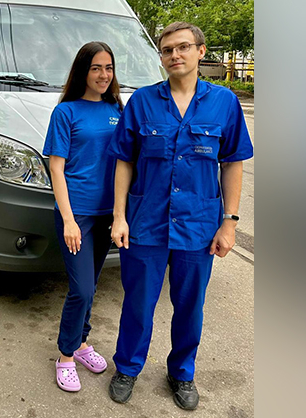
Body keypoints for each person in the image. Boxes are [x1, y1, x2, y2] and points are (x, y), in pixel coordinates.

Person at [107, 22, 253, 409]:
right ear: (161, 57)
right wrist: (119, 216)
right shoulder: (142, 102)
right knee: (138, 302)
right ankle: (128, 367)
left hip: (199, 226)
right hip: (146, 223)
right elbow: (124, 160)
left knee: (190, 306)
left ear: (201, 51)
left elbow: (233, 163)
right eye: (167, 50)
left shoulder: (224, 103)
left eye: (183, 47)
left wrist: (229, 222)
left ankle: (182, 372)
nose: (175, 55)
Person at [43, 42, 123, 392]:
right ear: (82, 71)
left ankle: (82, 342)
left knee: (91, 286)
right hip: (77, 215)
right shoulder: (66, 112)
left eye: (108, 67)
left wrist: (121, 212)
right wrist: (69, 220)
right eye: (96, 68)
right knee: (81, 288)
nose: (104, 75)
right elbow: (56, 169)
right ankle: (65, 355)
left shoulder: (116, 109)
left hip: (107, 214)